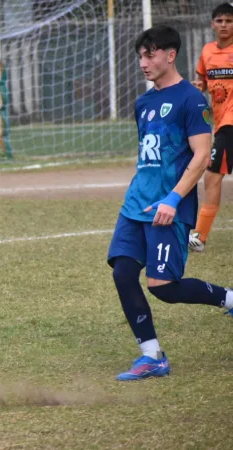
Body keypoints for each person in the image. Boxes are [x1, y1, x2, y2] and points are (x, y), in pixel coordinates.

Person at [108, 25, 232, 381]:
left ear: (170, 54)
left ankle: (229, 299)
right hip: (135, 206)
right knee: (123, 273)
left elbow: (201, 155)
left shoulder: (191, 100)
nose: (143, 63)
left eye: (150, 55)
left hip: (170, 207)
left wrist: (173, 199)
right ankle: (152, 357)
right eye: (141, 56)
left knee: (164, 288)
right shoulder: (143, 103)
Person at [189, 3, 233, 252]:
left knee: (212, 175)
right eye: (220, 21)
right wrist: (200, 87)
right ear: (212, 24)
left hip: (231, 123)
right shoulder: (207, 51)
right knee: (213, 176)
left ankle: (199, 237)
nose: (224, 25)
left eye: (229, 20)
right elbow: (204, 80)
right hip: (221, 123)